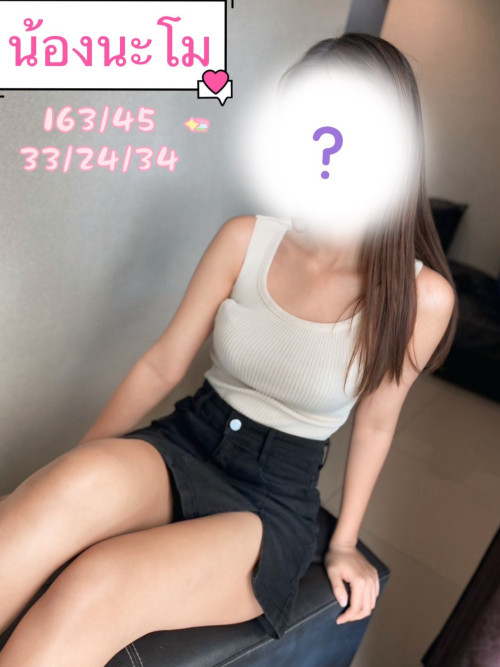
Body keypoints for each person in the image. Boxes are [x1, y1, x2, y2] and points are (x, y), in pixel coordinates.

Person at [0, 33, 457, 665]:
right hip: (189, 437)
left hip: (271, 502)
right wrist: (80, 470)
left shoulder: (420, 297)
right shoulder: (246, 239)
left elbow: (377, 423)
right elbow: (162, 364)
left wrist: (343, 542)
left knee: (97, 583)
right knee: (52, 500)